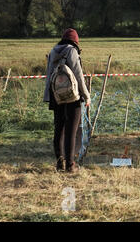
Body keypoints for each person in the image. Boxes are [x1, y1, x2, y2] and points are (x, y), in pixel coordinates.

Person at [44, 29, 90, 173]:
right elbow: (78, 75)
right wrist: (86, 95)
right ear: (75, 41)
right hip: (72, 96)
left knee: (59, 130)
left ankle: (59, 164)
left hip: (56, 95)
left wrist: (48, 96)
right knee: (71, 130)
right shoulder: (72, 51)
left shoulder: (53, 52)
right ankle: (70, 165)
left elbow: (49, 75)